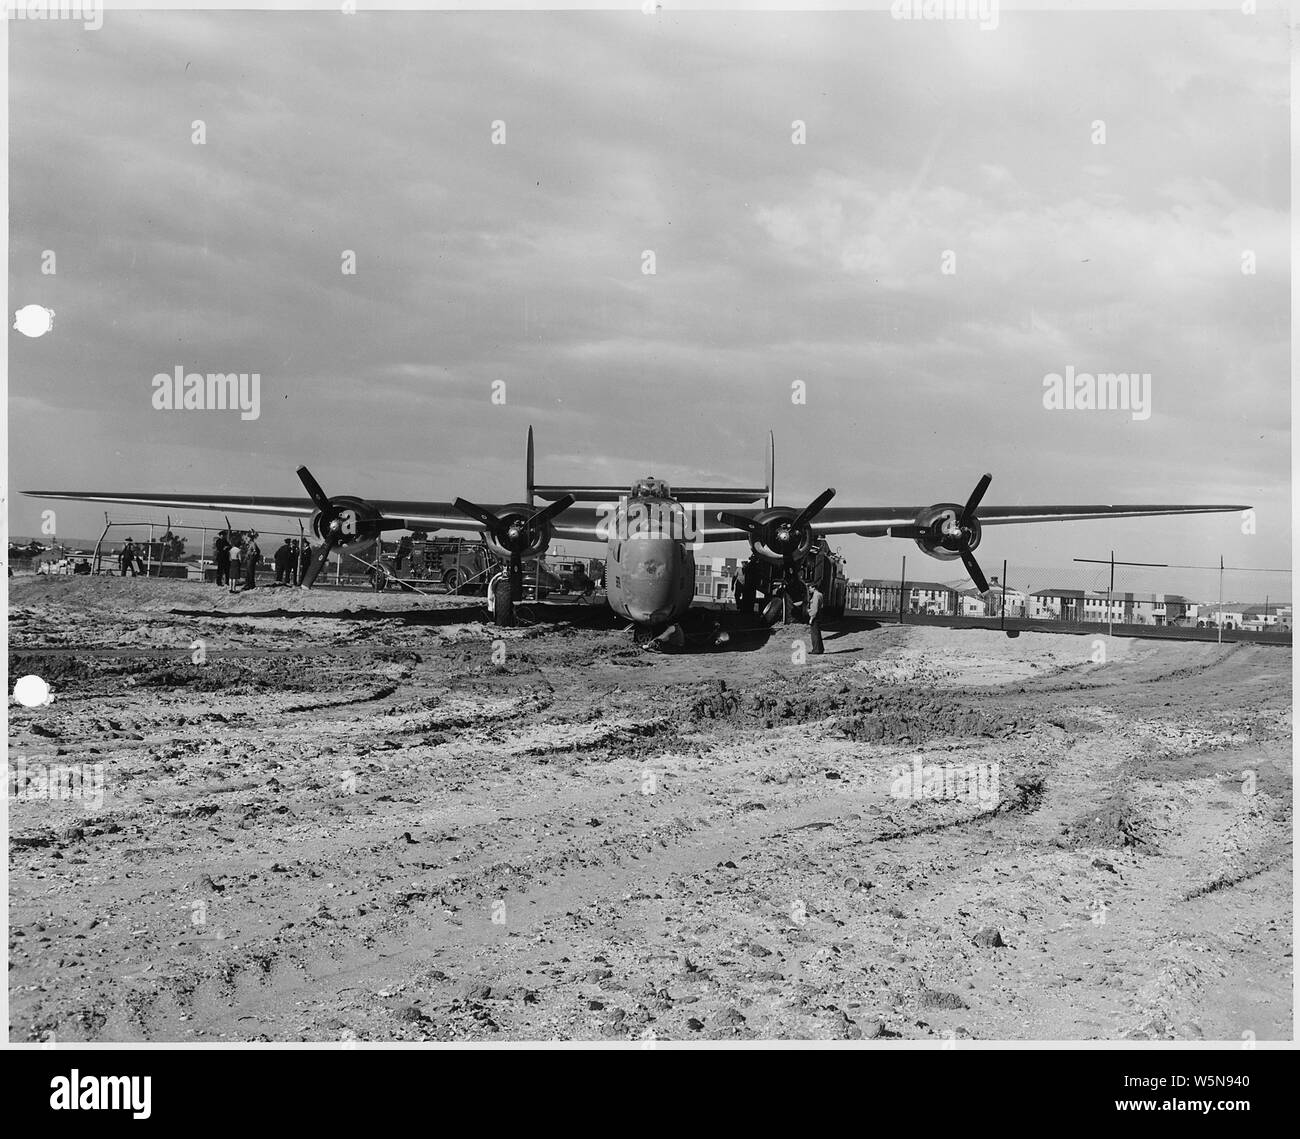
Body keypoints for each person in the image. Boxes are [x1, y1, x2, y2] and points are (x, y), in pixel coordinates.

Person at [807, 583, 825, 655]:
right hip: (819, 615)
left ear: (814, 588)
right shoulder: (820, 594)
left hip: (815, 616)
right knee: (818, 633)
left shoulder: (815, 596)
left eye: (810, 588)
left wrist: (811, 618)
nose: (809, 589)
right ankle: (820, 649)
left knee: (814, 634)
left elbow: (815, 608)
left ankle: (816, 649)